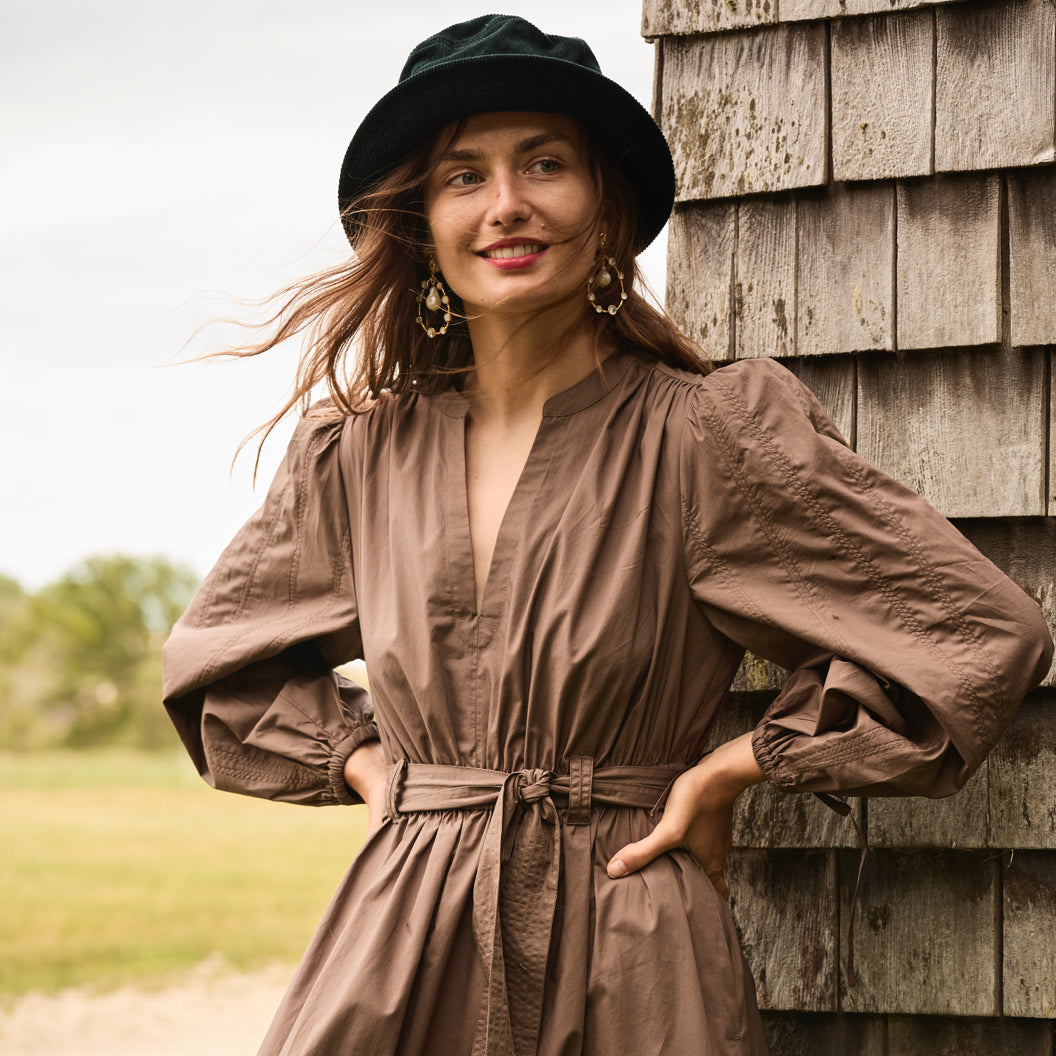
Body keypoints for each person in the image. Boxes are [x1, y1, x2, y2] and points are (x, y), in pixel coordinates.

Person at [162, 15, 1053, 1056]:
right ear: (420, 221)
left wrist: (735, 769)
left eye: (545, 163)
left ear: (606, 204)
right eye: (464, 176)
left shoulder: (706, 438)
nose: (507, 205)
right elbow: (223, 668)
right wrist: (374, 772)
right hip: (407, 938)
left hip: (632, 935)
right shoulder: (357, 456)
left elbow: (974, 631)